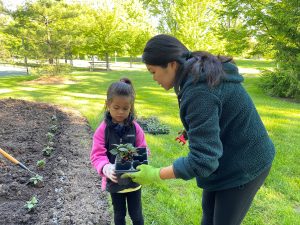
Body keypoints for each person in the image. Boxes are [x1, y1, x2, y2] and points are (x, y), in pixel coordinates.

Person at [123, 34, 275, 225]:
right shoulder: (194, 74)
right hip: (226, 158)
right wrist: (193, 129)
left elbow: (203, 161)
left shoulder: (199, 89)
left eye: (153, 72)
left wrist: (154, 174)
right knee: (208, 216)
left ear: (171, 64)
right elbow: (217, 111)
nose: (153, 78)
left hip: (246, 163)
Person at [90, 77, 149, 225]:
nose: (120, 112)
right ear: (108, 104)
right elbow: (97, 155)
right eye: (116, 107)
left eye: (125, 108)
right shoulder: (102, 130)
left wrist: (144, 155)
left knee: (136, 215)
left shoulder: (135, 128)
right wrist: (105, 167)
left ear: (131, 107)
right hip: (114, 181)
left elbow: (143, 148)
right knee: (119, 214)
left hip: (134, 181)